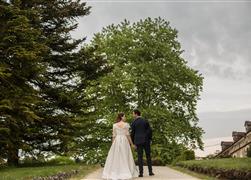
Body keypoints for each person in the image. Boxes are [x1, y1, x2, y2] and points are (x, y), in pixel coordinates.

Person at [102, 112, 138, 180]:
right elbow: (128, 135)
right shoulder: (126, 124)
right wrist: (132, 144)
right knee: (124, 155)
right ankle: (126, 170)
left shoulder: (114, 125)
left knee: (116, 156)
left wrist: (113, 144)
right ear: (121, 117)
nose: (125, 118)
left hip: (117, 141)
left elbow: (114, 136)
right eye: (124, 116)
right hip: (124, 140)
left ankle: (116, 171)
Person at [130, 109, 154, 177]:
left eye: (133, 114)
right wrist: (150, 138)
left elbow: (132, 133)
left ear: (136, 114)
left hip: (138, 141)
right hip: (146, 140)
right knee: (148, 156)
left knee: (140, 157)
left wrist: (132, 143)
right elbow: (150, 130)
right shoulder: (145, 120)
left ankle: (141, 173)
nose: (133, 115)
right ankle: (150, 172)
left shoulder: (134, 122)